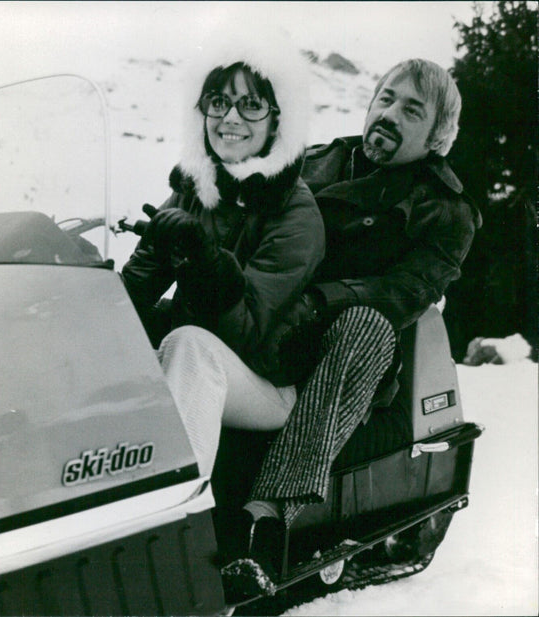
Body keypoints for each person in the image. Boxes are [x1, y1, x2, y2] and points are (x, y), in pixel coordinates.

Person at [224, 58, 482, 584]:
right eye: (385, 98)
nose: (390, 114)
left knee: (366, 322)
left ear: (437, 136)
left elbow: (403, 294)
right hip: (269, 324)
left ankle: (270, 514)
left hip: (345, 359)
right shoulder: (312, 162)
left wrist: (321, 300)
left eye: (412, 110)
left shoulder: (446, 211)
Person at [121, 33, 324, 493]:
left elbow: (250, 331)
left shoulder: (297, 213)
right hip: (199, 357)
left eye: (251, 104)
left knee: (190, 345)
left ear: (278, 122)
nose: (230, 118)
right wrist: (85, 292)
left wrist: (206, 261)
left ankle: (176, 511)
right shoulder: (196, 190)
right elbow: (139, 285)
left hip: (266, 385)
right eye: (219, 102)